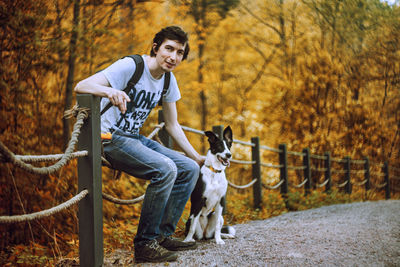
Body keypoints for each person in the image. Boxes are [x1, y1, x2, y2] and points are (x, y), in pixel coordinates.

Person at [74, 26, 204, 263]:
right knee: (165, 169)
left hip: (133, 137)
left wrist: (196, 155)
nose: (173, 57)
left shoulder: (168, 80)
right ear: (156, 48)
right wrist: (109, 91)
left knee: (189, 168)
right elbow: (81, 86)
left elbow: (173, 125)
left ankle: (163, 236)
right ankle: (145, 243)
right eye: (169, 49)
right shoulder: (132, 66)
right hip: (107, 137)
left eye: (179, 52)